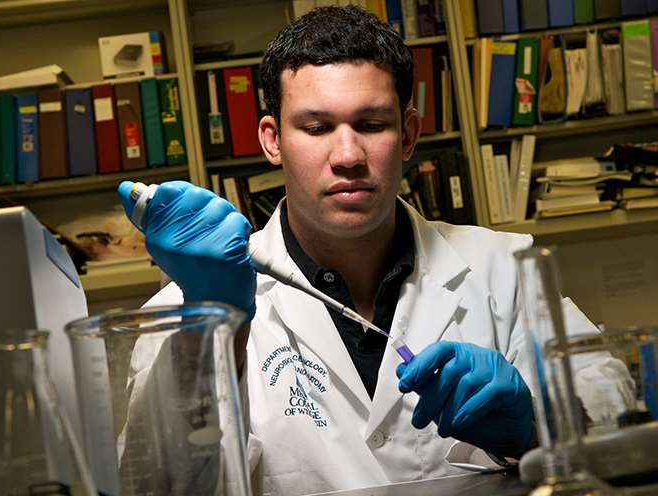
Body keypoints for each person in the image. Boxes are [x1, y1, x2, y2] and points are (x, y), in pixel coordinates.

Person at [117, 6, 617, 495]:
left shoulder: (505, 270)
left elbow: (619, 417)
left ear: (409, 135)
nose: (349, 156)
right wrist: (213, 335)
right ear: (272, 141)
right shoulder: (184, 313)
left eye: (373, 124)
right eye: (316, 128)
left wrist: (533, 426)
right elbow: (151, 484)